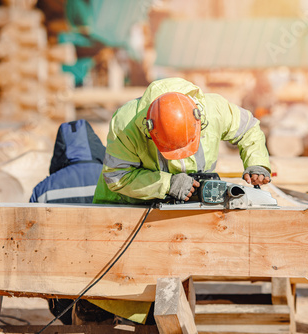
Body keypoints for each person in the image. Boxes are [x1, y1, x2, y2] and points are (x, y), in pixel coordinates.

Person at [93, 77, 271, 205]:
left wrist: (258, 163)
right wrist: (166, 184)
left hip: (194, 207)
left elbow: (249, 128)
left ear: (199, 120)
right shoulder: (126, 123)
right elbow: (118, 176)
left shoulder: (215, 109)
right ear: (149, 129)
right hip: (126, 208)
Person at [30, 119, 108, 324]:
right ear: (96, 145)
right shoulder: (116, 180)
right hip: (114, 287)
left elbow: (30, 241)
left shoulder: (43, 190)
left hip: (62, 294)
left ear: (60, 150)